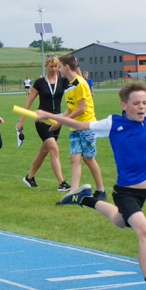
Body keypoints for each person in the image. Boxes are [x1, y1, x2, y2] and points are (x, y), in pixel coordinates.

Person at [37, 24, 146, 290]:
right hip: (125, 190)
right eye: (135, 103)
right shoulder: (114, 123)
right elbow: (81, 124)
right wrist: (52, 116)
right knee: (144, 231)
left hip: (143, 192)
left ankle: (85, 198)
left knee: (120, 221)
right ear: (124, 105)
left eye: (143, 103)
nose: (141, 107)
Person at [17, 54, 70, 191]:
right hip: (42, 120)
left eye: (56, 66)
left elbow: (78, 82)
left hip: (57, 120)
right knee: (54, 149)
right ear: (46, 66)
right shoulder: (40, 83)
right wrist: (21, 120)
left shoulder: (63, 81)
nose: (54, 69)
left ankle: (29, 177)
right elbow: (29, 101)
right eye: (51, 66)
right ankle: (62, 183)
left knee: (44, 151)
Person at [59, 54, 106, 200]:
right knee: (74, 158)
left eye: (60, 66)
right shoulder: (68, 84)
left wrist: (63, 121)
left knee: (88, 158)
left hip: (86, 125)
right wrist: (59, 119)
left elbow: (80, 109)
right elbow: (70, 108)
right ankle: (73, 193)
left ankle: (101, 190)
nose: (59, 69)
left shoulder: (80, 83)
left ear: (67, 66)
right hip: (74, 127)